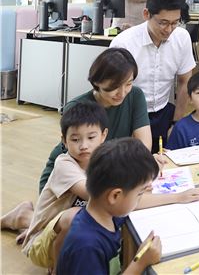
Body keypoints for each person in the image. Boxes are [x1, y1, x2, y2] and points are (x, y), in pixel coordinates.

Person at [1, 48, 152, 243]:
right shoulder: (78, 107)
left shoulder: (135, 95)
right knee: (84, 221)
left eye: (129, 83)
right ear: (96, 83)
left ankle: (32, 220)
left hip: (107, 173)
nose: (122, 93)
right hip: (74, 178)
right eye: (113, 87)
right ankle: (27, 219)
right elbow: (82, 161)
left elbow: (143, 144)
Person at [22, 102, 108, 272]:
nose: (84, 145)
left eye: (91, 138)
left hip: (73, 236)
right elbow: (95, 196)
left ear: (103, 136)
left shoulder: (103, 160)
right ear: (64, 140)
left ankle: (22, 215)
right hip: (40, 246)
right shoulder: (64, 164)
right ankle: (57, 270)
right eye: (75, 140)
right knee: (75, 216)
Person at [110, 0, 196, 154]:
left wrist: (176, 123)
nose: (169, 29)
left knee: (164, 163)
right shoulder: (124, 43)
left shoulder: (181, 37)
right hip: (128, 113)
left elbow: (185, 81)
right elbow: (112, 91)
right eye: (163, 23)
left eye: (174, 23)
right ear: (146, 14)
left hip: (163, 112)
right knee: (132, 166)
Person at [56, 138, 162, 274]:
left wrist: (178, 197)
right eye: (139, 194)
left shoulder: (106, 214)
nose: (140, 198)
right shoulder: (87, 247)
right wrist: (140, 263)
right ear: (115, 196)